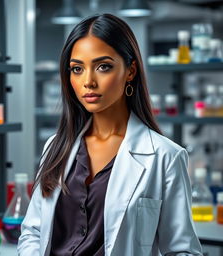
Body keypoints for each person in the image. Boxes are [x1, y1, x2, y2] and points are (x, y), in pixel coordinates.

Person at [17, 13, 203, 256]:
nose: (88, 82)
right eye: (77, 69)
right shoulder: (55, 146)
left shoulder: (165, 157)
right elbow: (33, 231)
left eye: (103, 67)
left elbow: (182, 251)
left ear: (130, 71)